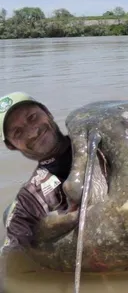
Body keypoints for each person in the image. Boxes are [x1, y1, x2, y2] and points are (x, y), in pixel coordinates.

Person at [0, 92, 107, 254]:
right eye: (18, 132)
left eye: (32, 117)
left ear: (47, 112)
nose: (33, 132)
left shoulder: (103, 141)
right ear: (11, 146)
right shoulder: (28, 202)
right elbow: (11, 257)